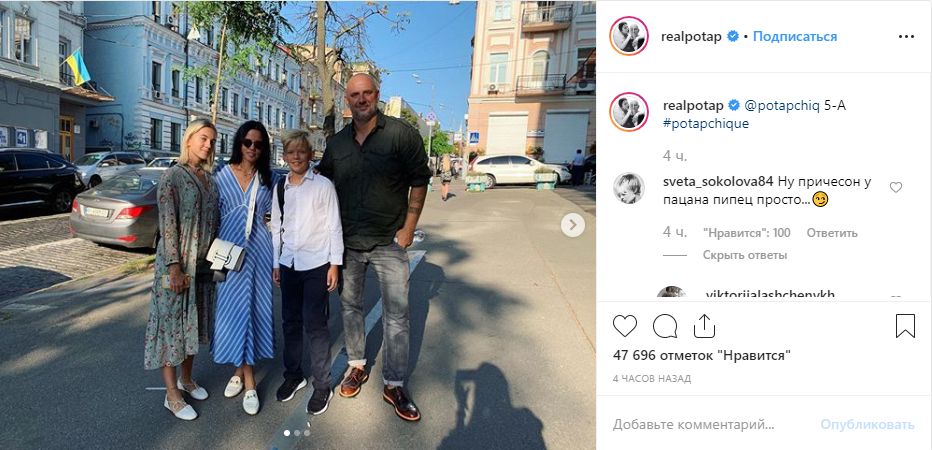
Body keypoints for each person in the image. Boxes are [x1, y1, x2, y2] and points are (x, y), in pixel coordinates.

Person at [318, 73, 431, 422]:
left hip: (389, 242)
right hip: (348, 243)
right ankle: (357, 366)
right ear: (347, 100)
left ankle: (394, 384)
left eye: (367, 93)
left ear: (377, 95)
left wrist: (408, 227)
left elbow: (420, 180)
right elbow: (322, 187)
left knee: (397, 315)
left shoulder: (401, 134)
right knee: (350, 307)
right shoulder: (337, 144)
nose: (362, 99)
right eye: (355, 95)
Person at [143, 118, 219, 421]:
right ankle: (172, 394)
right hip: (177, 265)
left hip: (202, 267)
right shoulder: (173, 176)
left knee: (192, 326)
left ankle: (187, 380)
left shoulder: (209, 179)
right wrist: (174, 267)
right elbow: (168, 224)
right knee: (171, 327)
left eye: (212, 141)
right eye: (203, 138)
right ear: (188, 140)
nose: (208, 145)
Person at [272, 129, 344, 416]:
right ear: (285, 156)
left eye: (301, 151)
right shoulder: (281, 187)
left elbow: (334, 226)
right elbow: (276, 226)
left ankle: (322, 385)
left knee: (315, 325)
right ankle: (294, 375)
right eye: (291, 152)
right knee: (290, 322)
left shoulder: (323, 185)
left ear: (311, 154)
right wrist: (276, 263)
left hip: (316, 264)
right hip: (289, 264)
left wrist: (334, 264)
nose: (296, 156)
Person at [212, 120, 275, 415]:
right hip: (229, 255)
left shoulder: (268, 179)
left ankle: (244, 377)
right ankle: (245, 376)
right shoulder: (221, 175)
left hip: (259, 254)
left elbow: (275, 218)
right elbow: (212, 217)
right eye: (248, 142)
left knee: (253, 312)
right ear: (239, 143)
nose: (252, 148)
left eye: (258, 144)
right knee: (235, 312)